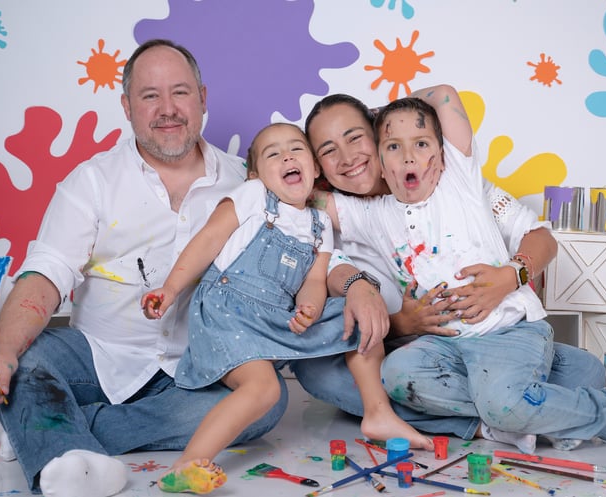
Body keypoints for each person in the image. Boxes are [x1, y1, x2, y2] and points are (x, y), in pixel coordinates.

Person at [0, 39, 288, 497]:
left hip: (199, 369)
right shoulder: (92, 181)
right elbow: (48, 270)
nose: (167, 109)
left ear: (202, 97)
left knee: (269, 401)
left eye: (180, 92)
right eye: (149, 95)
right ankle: (62, 452)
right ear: (126, 106)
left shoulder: (246, 183)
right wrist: (3, 351)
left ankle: (56, 435)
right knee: (23, 356)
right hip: (98, 357)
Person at [316, 96, 606, 451]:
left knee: (582, 372)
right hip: (441, 346)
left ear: (441, 155)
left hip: (503, 331)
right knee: (396, 375)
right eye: (393, 146)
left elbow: (445, 96)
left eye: (420, 144)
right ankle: (520, 415)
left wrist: (511, 274)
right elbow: (309, 201)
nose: (407, 156)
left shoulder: (460, 184)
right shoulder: (367, 217)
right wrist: (271, 175)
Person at [141, 122, 431, 494]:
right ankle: (188, 463)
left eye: (296, 149)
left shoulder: (319, 223)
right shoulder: (253, 196)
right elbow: (209, 239)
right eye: (273, 153)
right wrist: (170, 287)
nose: (287, 156)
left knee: (359, 312)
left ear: (313, 169)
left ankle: (378, 413)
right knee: (265, 390)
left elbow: (313, 280)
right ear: (255, 173)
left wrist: (310, 308)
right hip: (229, 315)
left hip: (277, 316)